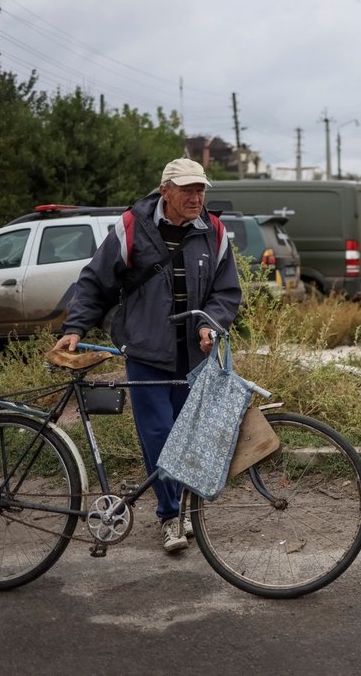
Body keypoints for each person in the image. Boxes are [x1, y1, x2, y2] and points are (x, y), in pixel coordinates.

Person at [53, 157, 243, 552]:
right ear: (165, 191)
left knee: (190, 436)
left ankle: (189, 512)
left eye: (201, 189)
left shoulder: (215, 231)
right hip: (145, 350)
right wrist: (74, 328)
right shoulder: (131, 227)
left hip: (194, 353)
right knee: (158, 434)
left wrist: (209, 324)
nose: (196, 197)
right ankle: (170, 516)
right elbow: (94, 281)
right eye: (188, 189)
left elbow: (225, 292)